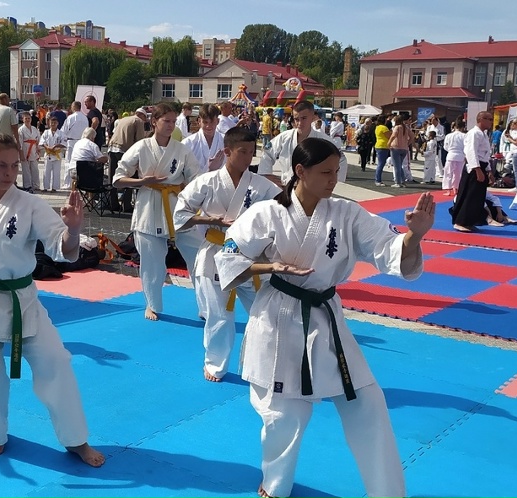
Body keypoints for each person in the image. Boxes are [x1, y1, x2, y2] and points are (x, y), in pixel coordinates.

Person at [214, 137, 433, 498]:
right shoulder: (266, 213)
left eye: (337, 171)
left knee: (369, 403)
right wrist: (272, 267)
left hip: (326, 319)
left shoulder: (347, 213)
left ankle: (388, 493)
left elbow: (387, 248)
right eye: (326, 172)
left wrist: (414, 235)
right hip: (280, 316)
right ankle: (276, 483)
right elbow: (228, 259)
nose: (334, 180)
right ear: (300, 171)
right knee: (286, 416)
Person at [0, 132, 104, 467]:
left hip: (19, 299)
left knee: (56, 361)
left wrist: (72, 229)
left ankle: (76, 439)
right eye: (0, 165)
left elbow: (61, 248)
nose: (10, 173)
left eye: (14, 165)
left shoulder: (30, 205)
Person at [174, 126, 281, 382]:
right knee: (219, 317)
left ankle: (266, 364)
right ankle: (215, 364)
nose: (248, 158)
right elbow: (181, 213)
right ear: (227, 151)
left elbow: (284, 211)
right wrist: (208, 220)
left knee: (266, 315)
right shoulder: (207, 181)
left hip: (251, 257)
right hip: (215, 254)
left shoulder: (262, 185)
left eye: (252, 153)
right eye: (243, 152)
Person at [112, 103, 201, 321]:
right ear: (154, 122)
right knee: (152, 262)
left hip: (176, 205)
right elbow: (117, 179)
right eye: (166, 121)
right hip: (149, 205)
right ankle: (152, 304)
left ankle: (207, 306)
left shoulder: (182, 149)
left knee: (199, 255)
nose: (171, 125)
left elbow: (196, 179)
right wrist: (143, 181)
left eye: (173, 121)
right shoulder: (142, 147)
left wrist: (196, 199)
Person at [258, 101, 348, 186]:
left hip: (314, 189)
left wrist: (332, 181)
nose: (300, 123)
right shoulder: (284, 137)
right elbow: (267, 153)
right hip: (287, 186)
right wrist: (266, 175)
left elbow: (341, 160)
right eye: (296, 119)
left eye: (304, 118)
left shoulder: (323, 140)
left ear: (312, 117)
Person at [450, 111, 493, 233]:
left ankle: (469, 221)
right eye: (489, 119)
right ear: (481, 119)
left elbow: (485, 155)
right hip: (474, 168)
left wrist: (489, 170)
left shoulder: (483, 134)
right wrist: (477, 169)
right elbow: (470, 151)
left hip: (482, 165)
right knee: (469, 195)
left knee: (477, 197)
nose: (491, 122)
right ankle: (460, 221)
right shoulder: (473, 133)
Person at [107, 108, 150, 212]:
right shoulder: (138, 121)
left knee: (112, 177)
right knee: (128, 176)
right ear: (142, 116)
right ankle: (127, 205)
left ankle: (113, 203)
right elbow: (139, 141)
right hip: (124, 150)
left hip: (112, 148)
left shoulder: (123, 119)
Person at [182, 103, 226, 173]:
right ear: (199, 121)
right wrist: (210, 169)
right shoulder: (188, 143)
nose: (208, 126)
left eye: (212, 122)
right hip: (195, 180)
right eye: (205, 122)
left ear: (218, 121)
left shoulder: (226, 141)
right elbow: (182, 171)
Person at [60, 102, 87, 190]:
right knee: (80, 162)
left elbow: (64, 130)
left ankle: (68, 183)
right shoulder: (85, 118)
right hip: (81, 142)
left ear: (74, 107)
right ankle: (79, 183)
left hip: (71, 142)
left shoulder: (71, 117)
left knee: (69, 162)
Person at [39, 115, 66, 192]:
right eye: (52, 122)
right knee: (46, 171)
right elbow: (42, 142)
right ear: (49, 123)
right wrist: (47, 147)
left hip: (57, 154)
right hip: (48, 154)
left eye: (55, 123)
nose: (53, 124)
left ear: (57, 123)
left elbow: (64, 143)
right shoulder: (46, 132)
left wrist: (55, 146)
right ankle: (45, 187)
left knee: (56, 172)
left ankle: (54, 187)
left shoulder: (61, 133)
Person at [441, 119, 467, 197]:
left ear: (455, 126)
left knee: (448, 173)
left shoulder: (449, 136)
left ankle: (448, 190)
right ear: (463, 127)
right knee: (458, 174)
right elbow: (466, 147)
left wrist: (450, 150)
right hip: (460, 156)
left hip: (451, 155)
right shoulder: (465, 136)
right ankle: (456, 188)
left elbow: (445, 147)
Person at [17, 111, 41, 191]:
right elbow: (19, 143)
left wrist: (38, 149)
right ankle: (27, 185)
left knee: (35, 169)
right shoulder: (21, 130)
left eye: (29, 118)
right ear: (23, 119)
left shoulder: (34, 129)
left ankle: (36, 185)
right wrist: (21, 154)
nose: (27, 120)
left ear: (31, 119)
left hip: (33, 149)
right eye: (26, 118)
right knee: (26, 170)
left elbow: (38, 139)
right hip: (25, 150)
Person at [386, 115, 412, 187]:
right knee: (399, 165)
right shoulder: (406, 127)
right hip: (404, 148)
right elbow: (412, 136)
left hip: (396, 147)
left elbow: (393, 136)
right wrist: (407, 143)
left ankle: (398, 182)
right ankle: (403, 181)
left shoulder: (397, 127)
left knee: (396, 166)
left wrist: (389, 143)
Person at [372, 116, 391, 186]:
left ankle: (378, 180)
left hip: (379, 145)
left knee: (381, 163)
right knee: (381, 164)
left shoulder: (377, 127)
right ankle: (378, 180)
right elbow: (389, 136)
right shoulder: (384, 128)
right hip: (383, 146)